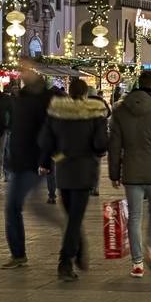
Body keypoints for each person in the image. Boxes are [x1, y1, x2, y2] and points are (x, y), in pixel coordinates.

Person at [108, 69, 151, 277]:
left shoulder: (121, 110)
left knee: (135, 215)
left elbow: (114, 145)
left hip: (131, 171)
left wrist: (114, 173)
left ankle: (137, 262)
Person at [38, 78, 109, 282]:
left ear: (69, 92)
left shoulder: (56, 112)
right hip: (85, 170)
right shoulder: (95, 112)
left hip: (63, 170)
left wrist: (47, 161)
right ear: (86, 93)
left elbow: (45, 140)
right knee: (75, 218)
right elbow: (100, 143)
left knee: (72, 217)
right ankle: (65, 260)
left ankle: (78, 250)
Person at [2, 67, 64, 269]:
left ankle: (68, 229)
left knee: (23, 207)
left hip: (33, 161)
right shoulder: (21, 98)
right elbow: (18, 130)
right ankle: (18, 254)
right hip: (20, 161)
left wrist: (45, 160)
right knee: (20, 207)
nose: (22, 73)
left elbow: (49, 130)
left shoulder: (44, 99)